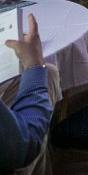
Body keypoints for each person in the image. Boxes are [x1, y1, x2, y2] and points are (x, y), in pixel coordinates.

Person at [1, 14, 61, 174]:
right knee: (43, 74)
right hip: (18, 152)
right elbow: (26, 144)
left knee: (49, 73)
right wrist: (33, 64)